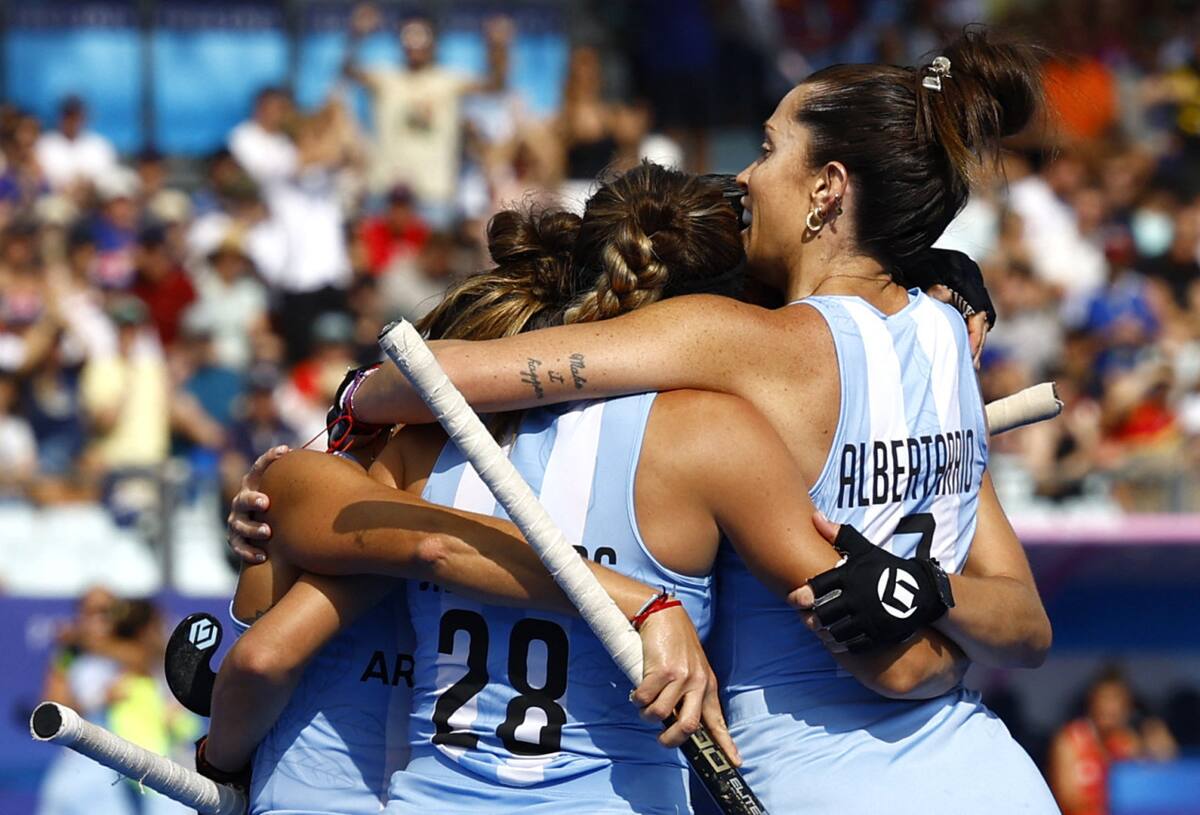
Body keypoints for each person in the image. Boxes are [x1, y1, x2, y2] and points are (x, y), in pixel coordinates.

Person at [327, 31, 1057, 812]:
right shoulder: (952, 331)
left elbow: (424, 382)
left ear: (827, 189)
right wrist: (933, 595)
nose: (747, 173)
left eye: (770, 148)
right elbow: (1027, 626)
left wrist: (350, 401)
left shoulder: (746, 343)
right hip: (991, 771)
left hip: (816, 777)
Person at [209, 165, 968, 814]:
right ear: (724, 304)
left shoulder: (429, 440)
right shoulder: (718, 438)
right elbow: (888, 655)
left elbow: (272, 648)